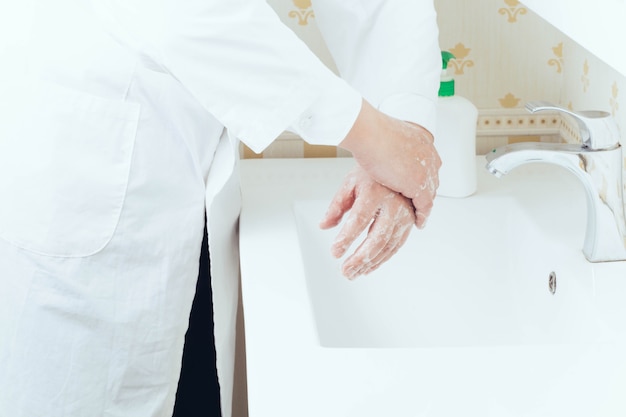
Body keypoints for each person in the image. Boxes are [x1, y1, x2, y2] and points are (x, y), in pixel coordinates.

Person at [0, 0, 441, 416]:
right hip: (83, 161)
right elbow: (185, 13)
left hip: (193, 189)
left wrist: (405, 119)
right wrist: (377, 138)